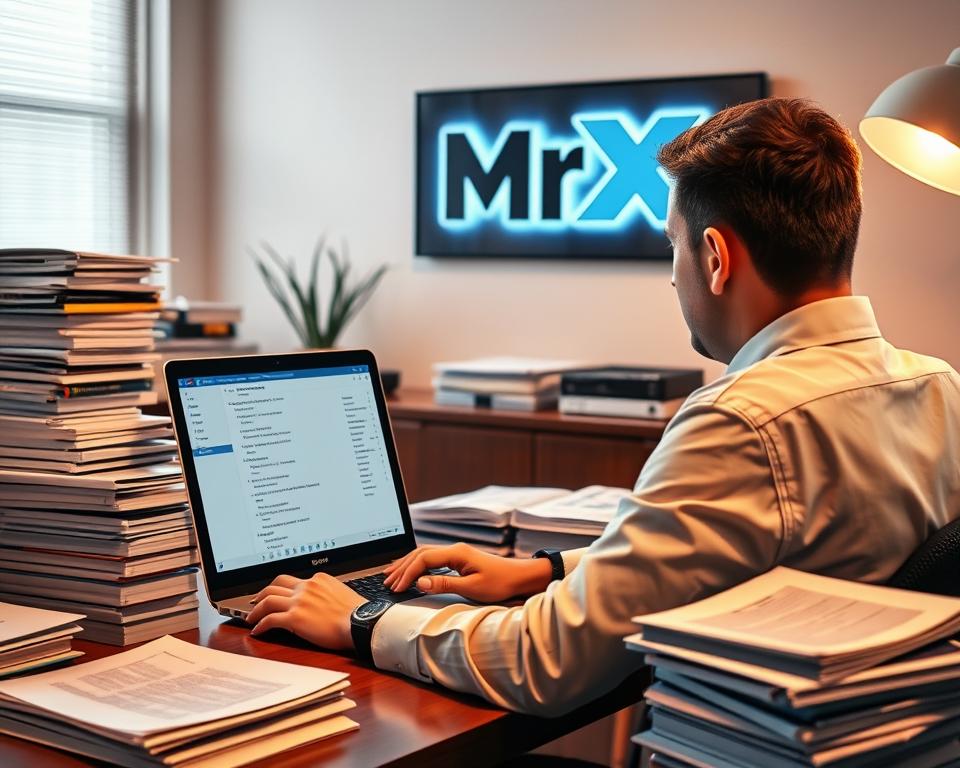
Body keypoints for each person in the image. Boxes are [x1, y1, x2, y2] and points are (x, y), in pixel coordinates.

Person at [244, 97, 960, 716]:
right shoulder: (939, 387)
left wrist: (366, 617)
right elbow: (759, 558)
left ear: (716, 257)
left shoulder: (742, 421)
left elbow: (544, 662)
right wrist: (550, 572)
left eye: (673, 246)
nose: (672, 276)